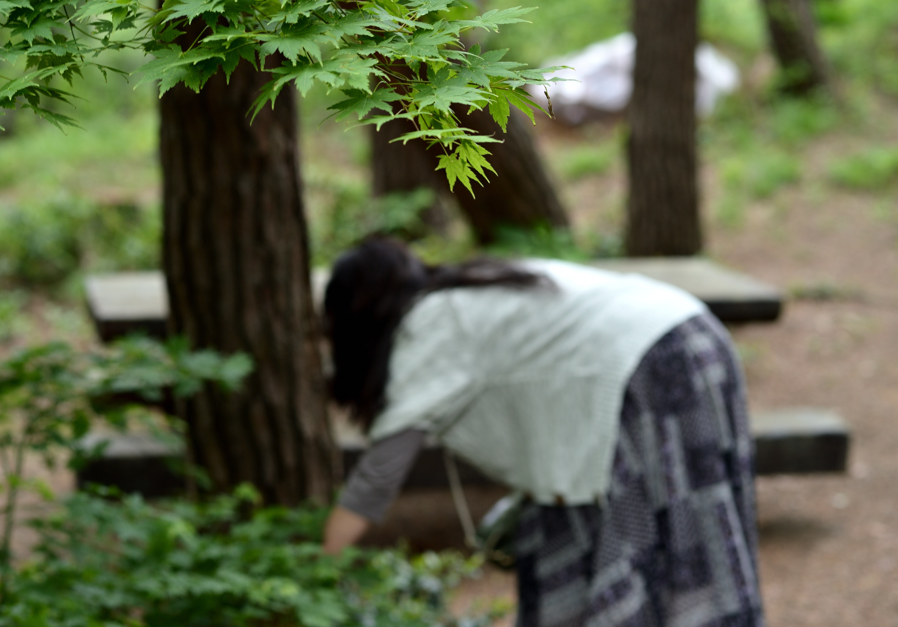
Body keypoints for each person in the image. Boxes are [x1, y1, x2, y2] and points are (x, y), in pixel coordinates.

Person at [321, 236, 765, 627]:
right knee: (645, 533)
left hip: (654, 362)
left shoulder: (428, 327)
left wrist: (319, 570)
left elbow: (376, 481)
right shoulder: (470, 292)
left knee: (676, 541)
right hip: (694, 333)